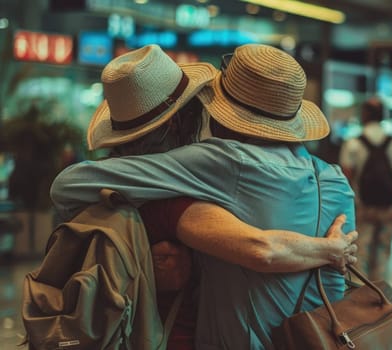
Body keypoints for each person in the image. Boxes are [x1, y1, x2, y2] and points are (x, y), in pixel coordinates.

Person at [50, 43, 356, 349]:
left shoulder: (219, 163)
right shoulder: (335, 180)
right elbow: (308, 271)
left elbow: (68, 185)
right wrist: (330, 250)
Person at [338, 96, 392, 280]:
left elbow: (346, 175)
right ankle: (380, 288)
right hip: (389, 205)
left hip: (363, 205)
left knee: (361, 247)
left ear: (364, 115)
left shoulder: (353, 142)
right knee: (384, 247)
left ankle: (362, 290)